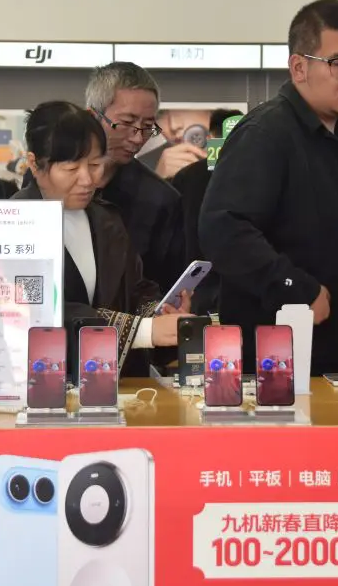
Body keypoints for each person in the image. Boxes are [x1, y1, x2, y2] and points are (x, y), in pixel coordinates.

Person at [199, 0, 338, 374]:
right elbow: (223, 229)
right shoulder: (266, 134)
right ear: (299, 67)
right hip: (282, 369)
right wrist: (296, 288)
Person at [12, 101, 190, 376]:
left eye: (95, 165)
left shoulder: (106, 218)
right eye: (71, 169)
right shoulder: (13, 224)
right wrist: (144, 330)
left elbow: (135, 288)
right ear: (35, 164)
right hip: (46, 379)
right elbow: (41, 310)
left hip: (112, 380)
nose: (88, 179)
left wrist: (161, 311)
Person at [86, 62, 186, 290]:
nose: (137, 138)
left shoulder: (161, 200)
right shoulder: (48, 180)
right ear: (93, 117)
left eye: (148, 126)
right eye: (126, 123)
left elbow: (164, 288)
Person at [170, 108, 243, 314]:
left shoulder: (186, 175)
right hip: (236, 281)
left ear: (210, 137)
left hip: (194, 280)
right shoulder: (249, 175)